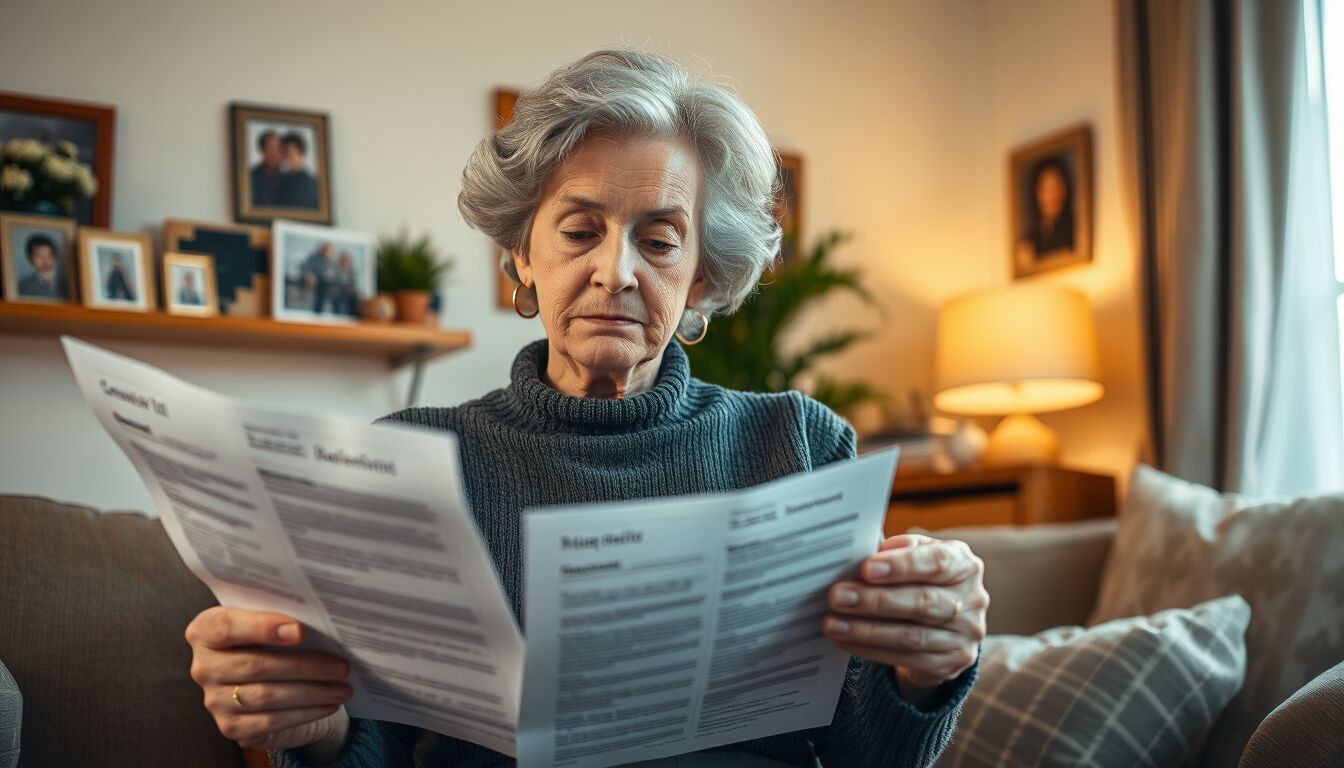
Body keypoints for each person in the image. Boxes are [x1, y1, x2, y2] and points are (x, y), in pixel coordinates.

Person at [184, 49, 987, 768]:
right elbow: (372, 750)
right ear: (520, 258)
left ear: (701, 277)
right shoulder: (412, 459)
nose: (617, 271)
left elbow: (872, 755)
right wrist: (308, 726)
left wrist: (928, 666)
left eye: (661, 240)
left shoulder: (797, 442)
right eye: (579, 230)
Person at [1016, 156, 1075, 261]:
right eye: (1047, 189)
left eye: (1057, 187)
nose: (1053, 195)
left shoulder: (1077, 232)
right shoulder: (1029, 242)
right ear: (1037, 193)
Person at [16, 233, 67, 299]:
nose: (46, 261)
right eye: (39, 256)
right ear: (31, 259)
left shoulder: (67, 284)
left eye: (49, 255)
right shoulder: (23, 286)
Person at [278, 132, 319, 208]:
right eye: (283, 152)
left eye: (289, 152)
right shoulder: (281, 181)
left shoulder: (312, 184)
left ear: (301, 153)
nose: (286, 157)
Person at [250, 130, 285, 207]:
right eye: (270, 148)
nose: (275, 153)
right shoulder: (251, 177)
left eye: (278, 149)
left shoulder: (288, 179)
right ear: (262, 150)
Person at [299, 242, 336, 313]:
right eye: (328, 251)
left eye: (331, 252)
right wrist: (310, 275)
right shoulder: (313, 258)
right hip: (317, 281)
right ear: (323, 250)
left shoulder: (331, 261)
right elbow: (305, 267)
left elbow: (333, 273)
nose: (330, 253)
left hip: (327, 282)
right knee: (320, 296)